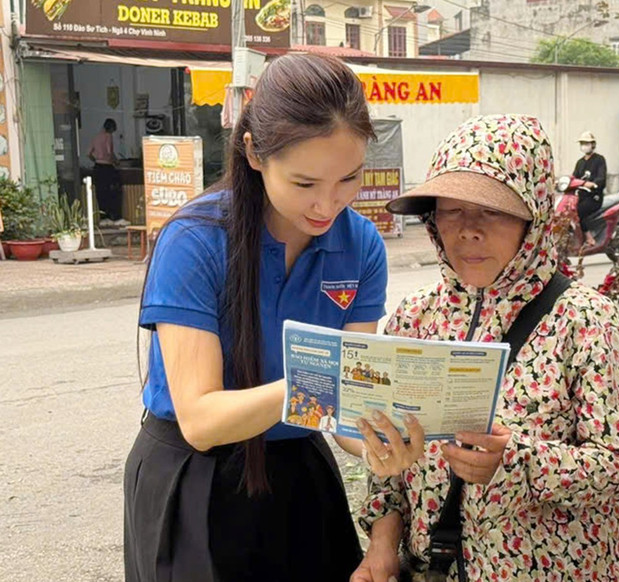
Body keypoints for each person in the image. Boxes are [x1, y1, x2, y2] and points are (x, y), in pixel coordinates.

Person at [123, 54, 424, 582]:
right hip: (196, 477)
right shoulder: (195, 240)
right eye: (304, 183)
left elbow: (347, 415)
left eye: (348, 178)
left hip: (298, 472)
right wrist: (323, 382)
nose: (328, 205)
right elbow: (201, 421)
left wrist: (381, 443)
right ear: (254, 153)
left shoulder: (360, 245)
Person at [352, 115, 619, 582]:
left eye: (490, 211)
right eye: (452, 210)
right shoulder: (414, 319)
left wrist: (520, 462)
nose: (468, 230)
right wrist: (382, 546)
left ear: (534, 217)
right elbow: (389, 466)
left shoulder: (588, 321)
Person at [572, 131, 607, 247]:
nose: (584, 146)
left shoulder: (599, 160)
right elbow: (574, 177)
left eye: (587, 143)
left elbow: (601, 178)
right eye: (582, 143)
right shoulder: (580, 163)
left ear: (593, 145)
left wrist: (592, 184)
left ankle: (589, 238)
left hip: (594, 198)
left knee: (579, 212)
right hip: (580, 196)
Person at [88, 118, 123, 221]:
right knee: (111, 192)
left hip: (97, 167)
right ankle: (113, 216)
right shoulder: (108, 136)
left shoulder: (96, 137)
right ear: (111, 128)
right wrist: (116, 162)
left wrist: (96, 160)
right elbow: (109, 153)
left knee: (100, 193)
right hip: (107, 167)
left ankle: (103, 217)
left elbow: (88, 153)